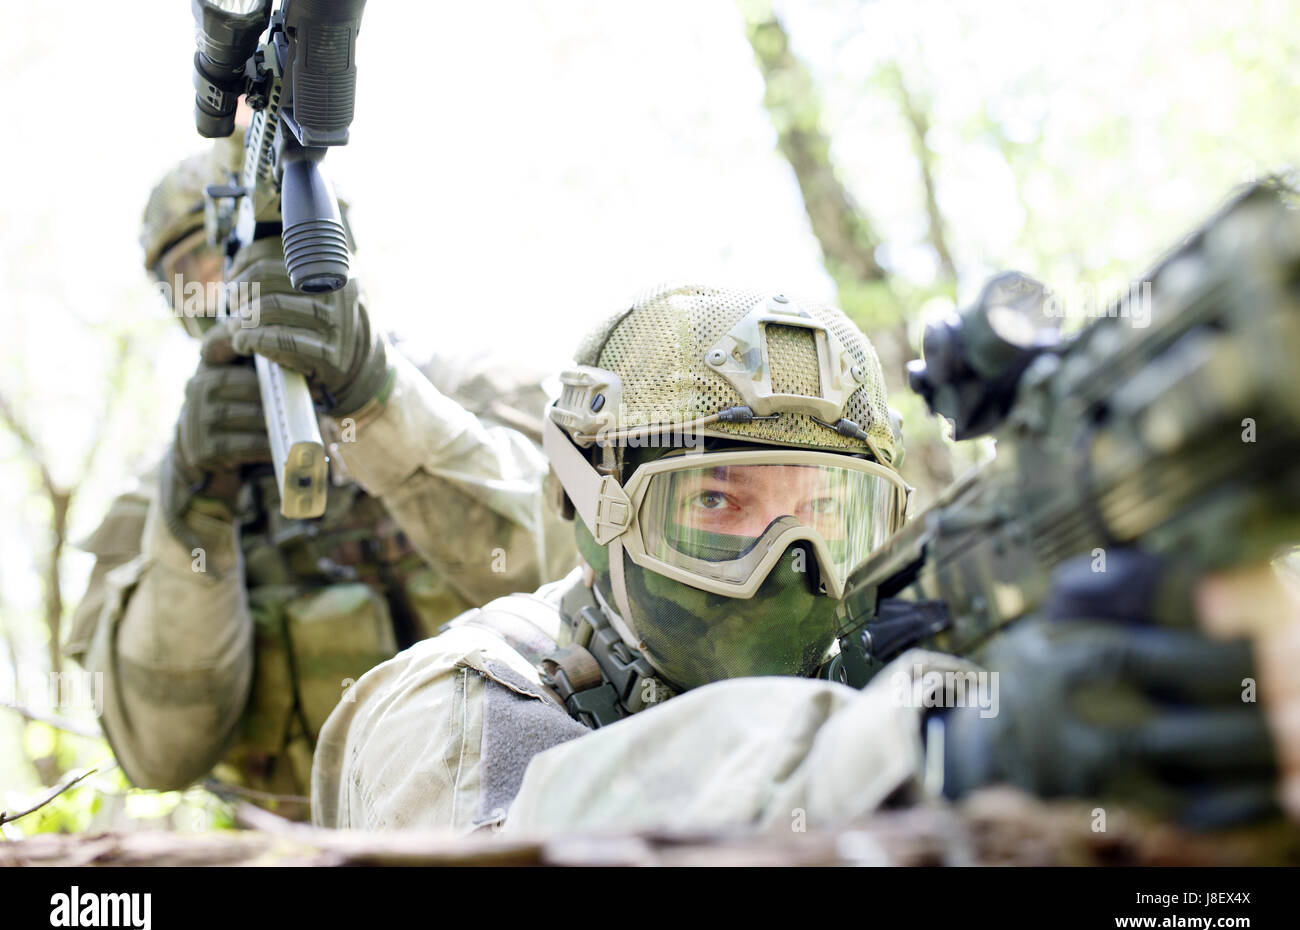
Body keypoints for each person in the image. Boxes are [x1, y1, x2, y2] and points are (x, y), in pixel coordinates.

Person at [227, 260, 1283, 836]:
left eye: (832, 513)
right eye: (721, 500)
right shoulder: (454, 696)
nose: (795, 563)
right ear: (599, 512)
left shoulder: (877, 649)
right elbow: (518, 834)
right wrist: (921, 750)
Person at [64, 139, 573, 813]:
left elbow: (584, 592)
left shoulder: (475, 394)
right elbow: (159, 753)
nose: (238, 278)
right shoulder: (150, 505)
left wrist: (379, 403)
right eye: (201, 261)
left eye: (264, 239)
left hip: (529, 825)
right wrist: (198, 512)